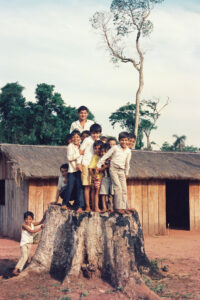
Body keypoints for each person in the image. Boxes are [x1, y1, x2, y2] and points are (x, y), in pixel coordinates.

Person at [97, 132, 131, 214]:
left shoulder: (128, 151)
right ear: (119, 140)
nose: (124, 142)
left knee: (124, 189)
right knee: (117, 187)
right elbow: (106, 155)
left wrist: (126, 173)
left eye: (126, 140)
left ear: (128, 141)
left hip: (122, 170)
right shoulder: (115, 148)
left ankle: (124, 207)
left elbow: (127, 163)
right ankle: (118, 207)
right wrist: (99, 164)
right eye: (122, 140)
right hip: (113, 169)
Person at [77, 123, 102, 212]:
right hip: (86, 164)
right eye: (94, 133)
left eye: (97, 133)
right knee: (87, 186)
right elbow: (80, 151)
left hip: (96, 166)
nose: (95, 135)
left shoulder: (100, 141)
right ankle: (87, 206)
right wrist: (79, 163)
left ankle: (95, 206)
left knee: (94, 187)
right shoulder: (87, 140)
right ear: (91, 133)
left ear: (100, 133)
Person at [13, 211, 45, 275]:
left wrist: (44, 216)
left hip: (29, 243)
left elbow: (40, 222)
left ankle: (20, 269)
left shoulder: (32, 224)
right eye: (26, 219)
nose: (28, 220)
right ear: (24, 219)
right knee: (24, 257)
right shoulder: (24, 226)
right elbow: (31, 231)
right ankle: (15, 269)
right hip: (24, 244)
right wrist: (40, 228)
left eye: (30, 219)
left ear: (32, 219)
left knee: (27, 257)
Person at [61, 130, 84, 213]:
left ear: (80, 138)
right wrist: (79, 153)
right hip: (72, 171)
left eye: (77, 137)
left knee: (80, 188)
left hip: (80, 171)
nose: (76, 139)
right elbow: (70, 158)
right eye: (74, 137)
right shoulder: (70, 146)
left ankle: (79, 207)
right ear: (71, 138)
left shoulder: (82, 146)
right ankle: (64, 203)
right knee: (69, 187)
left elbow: (82, 157)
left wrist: (79, 163)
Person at [99, 143, 114, 212]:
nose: (103, 153)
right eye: (101, 152)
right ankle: (104, 207)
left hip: (112, 178)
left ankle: (111, 207)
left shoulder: (112, 159)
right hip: (104, 178)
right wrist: (104, 167)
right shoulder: (101, 160)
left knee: (112, 193)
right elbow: (98, 169)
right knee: (103, 193)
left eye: (105, 152)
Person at [89, 140, 103, 212]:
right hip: (97, 178)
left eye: (99, 148)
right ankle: (96, 207)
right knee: (95, 192)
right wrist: (93, 176)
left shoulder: (103, 157)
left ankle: (95, 207)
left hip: (100, 178)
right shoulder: (95, 157)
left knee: (95, 192)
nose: (97, 150)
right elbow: (90, 168)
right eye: (95, 148)